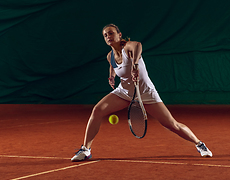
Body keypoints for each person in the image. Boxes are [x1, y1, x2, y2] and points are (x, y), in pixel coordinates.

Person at [71, 24, 212, 161]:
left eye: (111, 33)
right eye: (105, 35)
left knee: (171, 124)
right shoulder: (110, 56)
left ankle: (199, 144)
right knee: (97, 110)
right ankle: (85, 149)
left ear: (119, 35)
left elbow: (138, 45)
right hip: (124, 92)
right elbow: (113, 66)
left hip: (146, 92)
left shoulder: (128, 46)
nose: (108, 36)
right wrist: (112, 76)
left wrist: (135, 65)